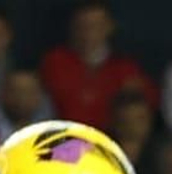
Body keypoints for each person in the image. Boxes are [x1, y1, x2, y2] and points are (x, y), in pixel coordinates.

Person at [39, 2, 154, 132]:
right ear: (72, 28)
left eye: (95, 26)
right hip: (63, 138)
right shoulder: (55, 63)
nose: (88, 34)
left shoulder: (126, 69)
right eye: (82, 27)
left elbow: (148, 106)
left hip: (112, 139)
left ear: (109, 27)